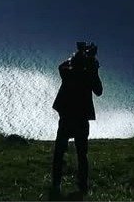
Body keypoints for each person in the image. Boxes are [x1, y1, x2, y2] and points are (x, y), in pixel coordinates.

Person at [50, 41, 103, 197]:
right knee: (82, 153)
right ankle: (82, 186)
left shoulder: (68, 72)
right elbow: (99, 91)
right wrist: (93, 65)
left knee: (59, 151)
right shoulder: (88, 74)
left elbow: (62, 65)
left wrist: (77, 54)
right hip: (81, 117)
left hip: (66, 116)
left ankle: (56, 183)